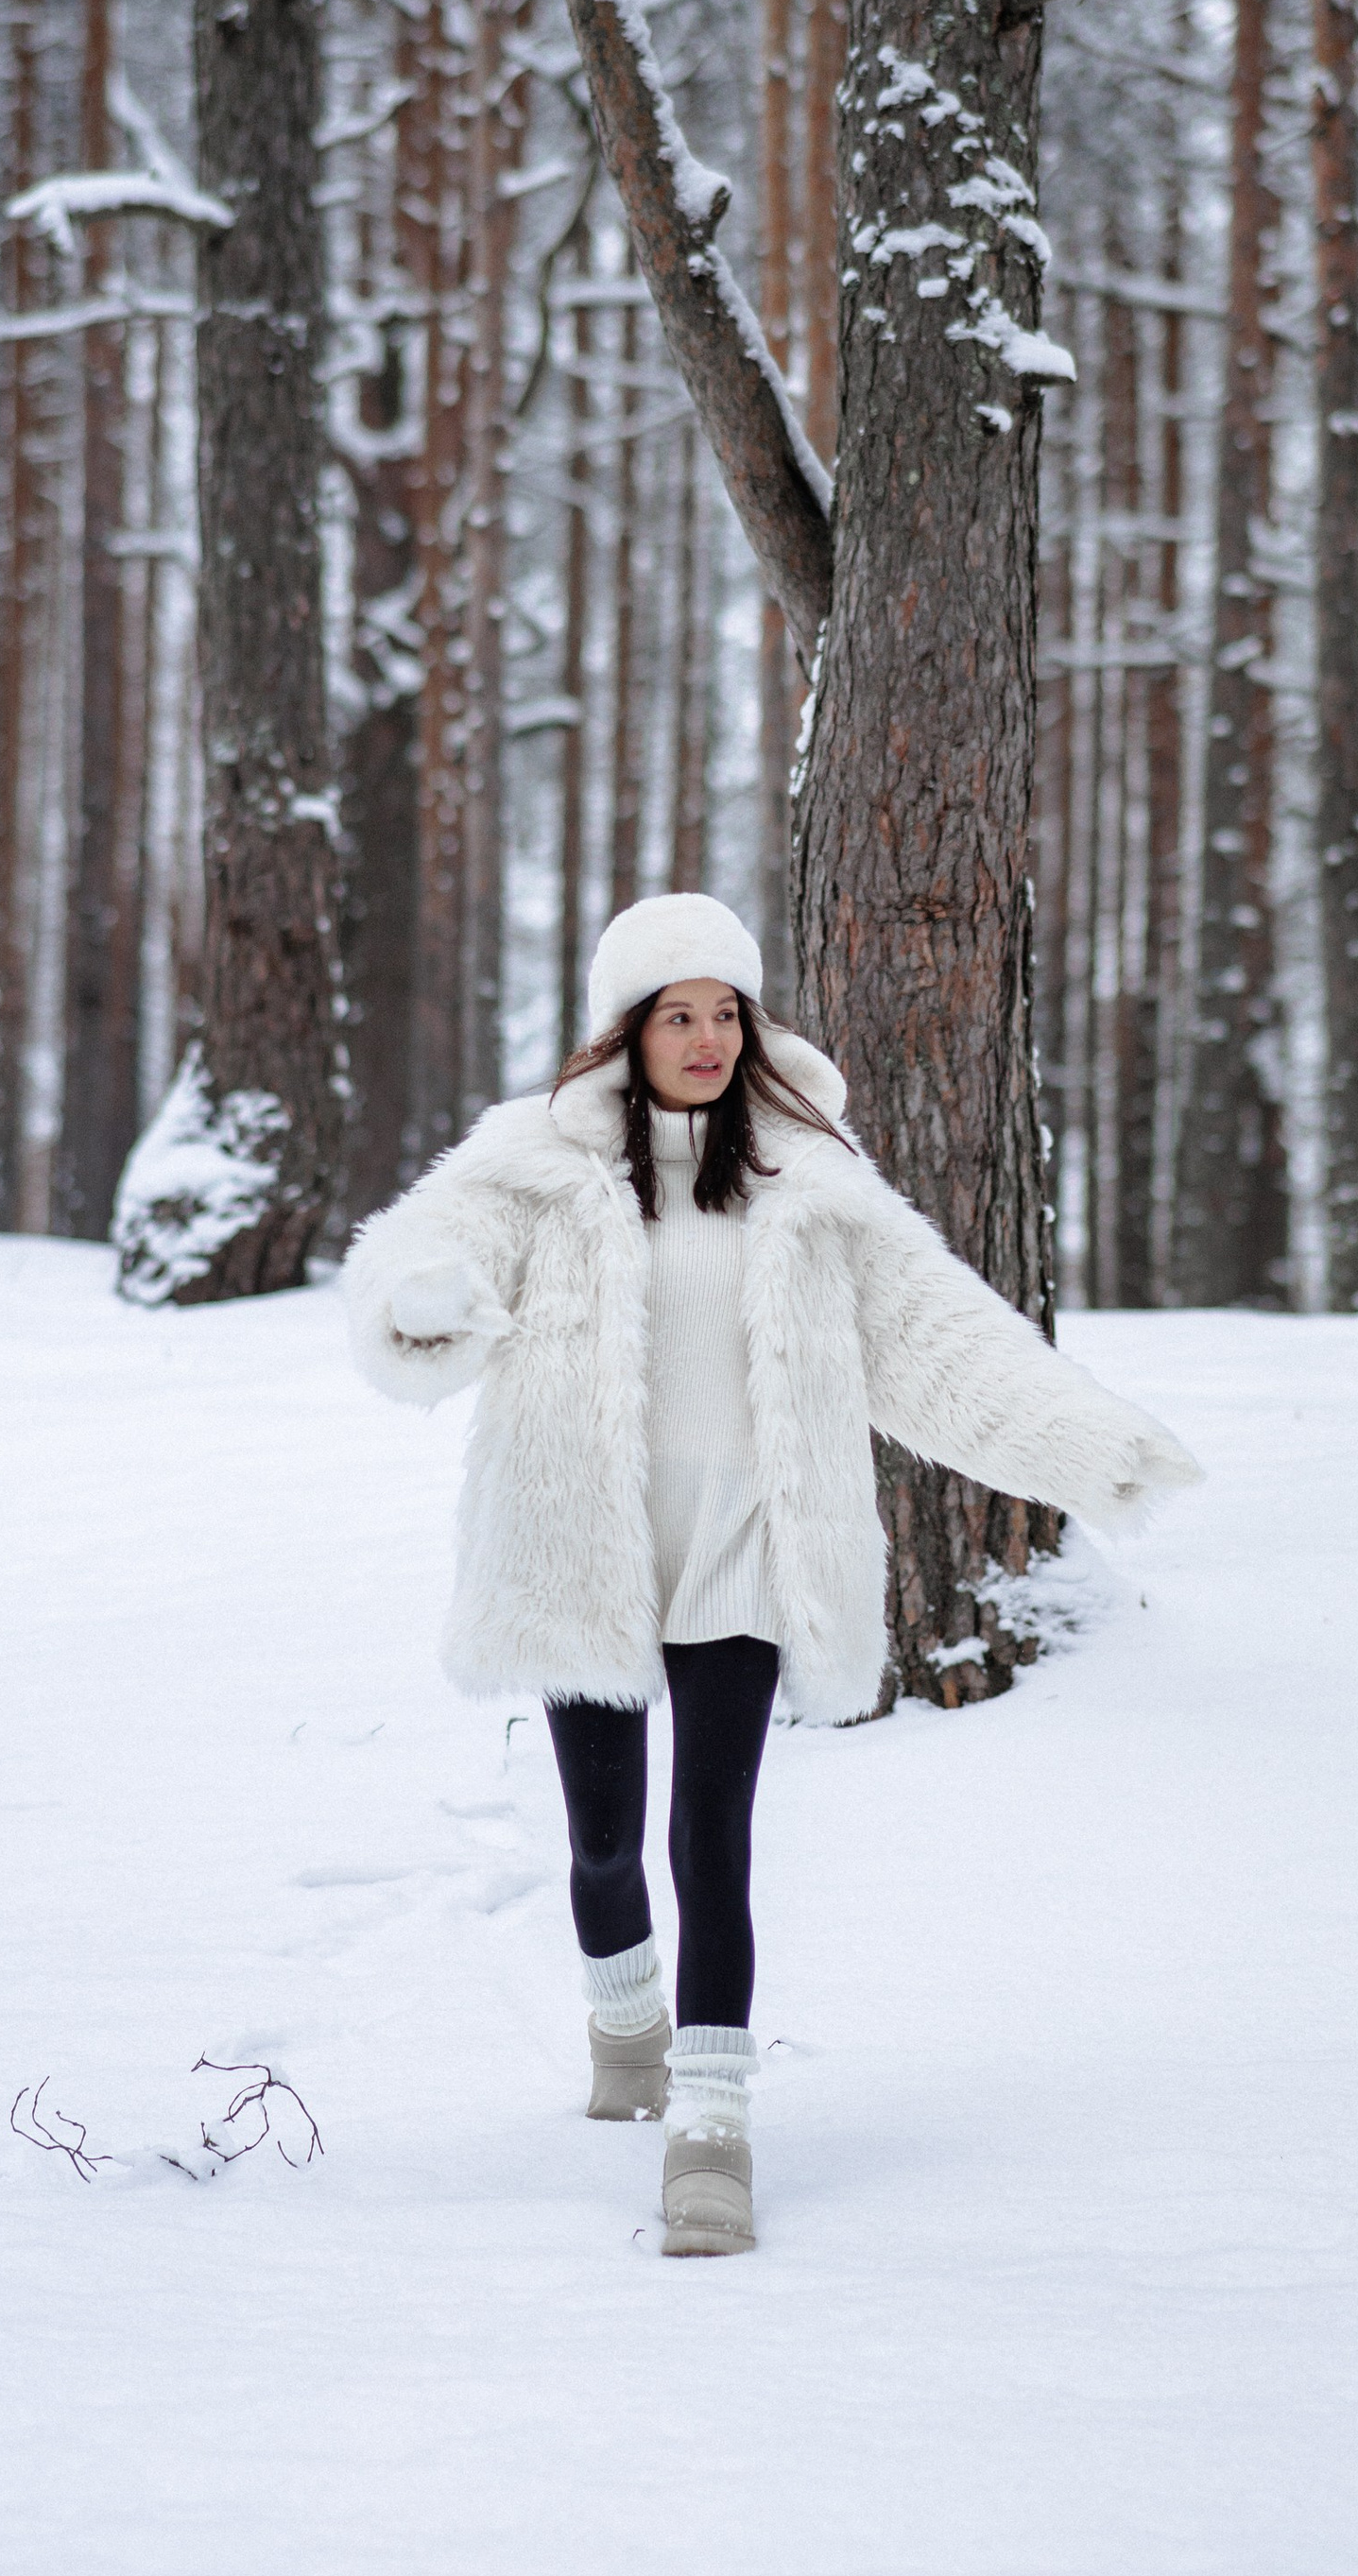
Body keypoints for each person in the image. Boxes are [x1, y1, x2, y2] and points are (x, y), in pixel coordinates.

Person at [340, 893, 1199, 2258]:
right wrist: (419, 1299)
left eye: (724, 1013)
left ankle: (712, 2138)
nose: (703, 1037)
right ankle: (625, 2022)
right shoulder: (537, 1171)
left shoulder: (812, 1187)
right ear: (628, 1035)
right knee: (608, 1843)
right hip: (587, 1550)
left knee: (714, 1841)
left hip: (742, 1544)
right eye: (676, 1015)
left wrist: (1093, 1451)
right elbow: (417, 1258)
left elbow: (941, 1343)